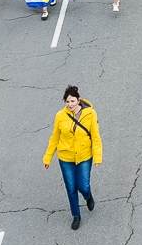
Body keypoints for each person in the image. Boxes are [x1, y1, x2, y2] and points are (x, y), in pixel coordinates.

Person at [43, 85, 103, 231]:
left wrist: (97, 157)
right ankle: (76, 215)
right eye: (67, 101)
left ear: (78, 100)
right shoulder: (60, 116)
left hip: (84, 155)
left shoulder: (90, 114)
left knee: (83, 186)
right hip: (66, 157)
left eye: (72, 101)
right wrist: (48, 158)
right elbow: (54, 138)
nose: (70, 104)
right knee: (71, 188)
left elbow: (95, 137)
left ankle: (88, 197)